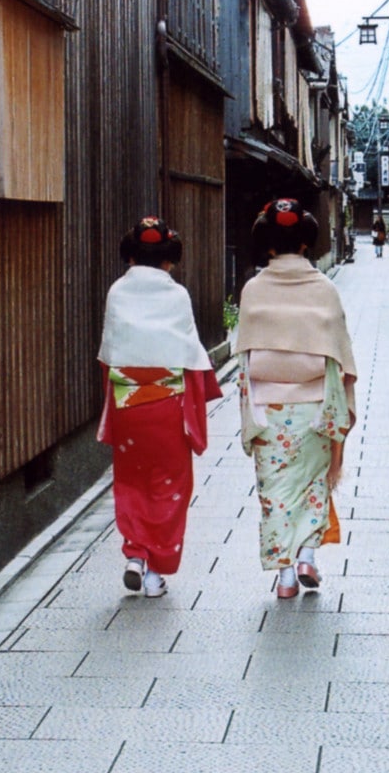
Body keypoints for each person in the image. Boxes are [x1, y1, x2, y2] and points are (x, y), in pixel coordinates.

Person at [235, 199, 358, 598]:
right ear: (305, 245)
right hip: (315, 408)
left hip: (268, 410)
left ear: (268, 247)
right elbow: (342, 358)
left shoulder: (253, 290)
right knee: (312, 485)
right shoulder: (324, 289)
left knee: (276, 493)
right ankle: (307, 555)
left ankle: (286, 577)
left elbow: (246, 358)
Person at [97, 216, 223, 597]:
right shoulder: (177, 295)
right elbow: (190, 355)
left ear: (130, 256)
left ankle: (134, 553)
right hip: (167, 404)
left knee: (131, 480)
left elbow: (109, 355)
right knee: (169, 486)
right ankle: (154, 574)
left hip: (127, 403)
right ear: (169, 259)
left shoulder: (117, 292)